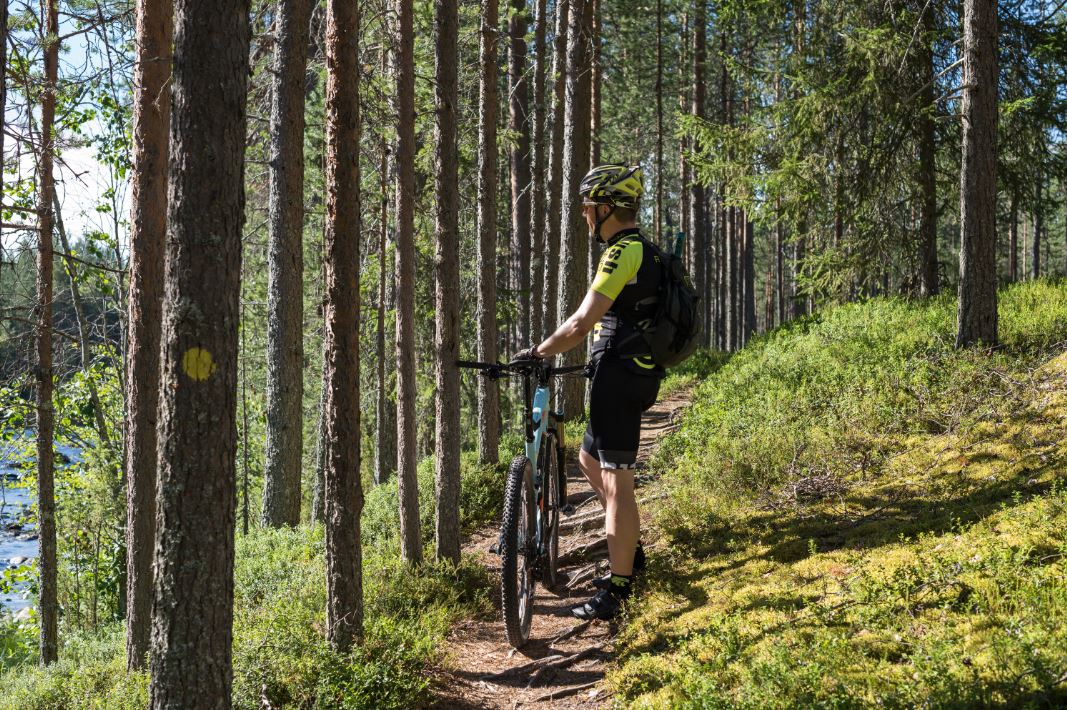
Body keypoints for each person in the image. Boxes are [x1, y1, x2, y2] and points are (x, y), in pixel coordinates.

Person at [512, 163, 664, 620]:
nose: (583, 216)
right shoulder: (644, 250)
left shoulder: (624, 250)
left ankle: (618, 590)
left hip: (619, 378)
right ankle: (628, 552)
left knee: (618, 481)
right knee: (588, 459)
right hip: (623, 373)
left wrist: (539, 351)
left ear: (605, 208)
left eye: (586, 208)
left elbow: (583, 321)